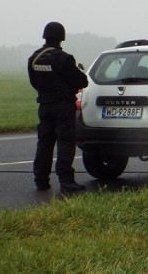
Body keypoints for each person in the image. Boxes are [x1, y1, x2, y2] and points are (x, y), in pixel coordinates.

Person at [27, 22, 89, 192]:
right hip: (63, 106)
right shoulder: (63, 58)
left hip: (44, 105)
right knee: (66, 142)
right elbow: (81, 81)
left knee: (44, 143)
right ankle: (66, 181)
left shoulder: (35, 57)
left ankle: (41, 179)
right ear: (61, 37)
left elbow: (34, 82)